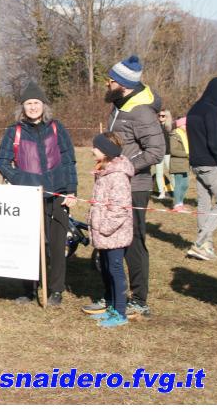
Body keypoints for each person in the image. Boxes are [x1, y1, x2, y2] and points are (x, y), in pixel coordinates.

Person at [84, 55, 164, 318]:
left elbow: (156, 151)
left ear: (123, 84)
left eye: (110, 80)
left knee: (133, 243)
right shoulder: (120, 105)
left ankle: (138, 300)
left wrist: (124, 167)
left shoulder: (141, 112)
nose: (106, 84)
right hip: (112, 184)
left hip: (134, 186)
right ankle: (112, 297)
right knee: (109, 240)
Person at [0, 81, 78, 306]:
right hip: (28, 197)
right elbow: (2, 162)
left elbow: (69, 160)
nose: (33, 107)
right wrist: (24, 180)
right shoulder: (14, 131)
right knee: (28, 244)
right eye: (28, 103)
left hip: (57, 195)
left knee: (57, 245)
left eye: (36, 103)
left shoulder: (57, 128)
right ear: (22, 107)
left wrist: (71, 191)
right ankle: (28, 289)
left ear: (44, 105)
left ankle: (56, 290)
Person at [84, 133, 134, 328]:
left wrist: (104, 227)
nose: (92, 150)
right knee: (106, 269)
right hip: (104, 234)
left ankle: (120, 313)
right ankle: (111, 307)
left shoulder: (118, 176)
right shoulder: (104, 171)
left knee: (115, 270)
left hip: (114, 234)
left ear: (106, 151)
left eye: (96, 147)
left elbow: (120, 209)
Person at [186, 77, 217, 261]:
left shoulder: (194, 109)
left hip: (196, 164)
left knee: (204, 204)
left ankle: (206, 245)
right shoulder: (212, 111)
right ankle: (200, 244)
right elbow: (216, 143)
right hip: (211, 164)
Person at [168, 117, 190, 212]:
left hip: (185, 163)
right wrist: (187, 154)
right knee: (179, 184)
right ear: (180, 125)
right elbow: (173, 151)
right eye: (185, 124)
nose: (187, 126)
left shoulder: (185, 135)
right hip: (177, 163)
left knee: (185, 184)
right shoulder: (175, 135)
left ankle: (181, 203)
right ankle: (177, 205)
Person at [155, 109, 173, 199]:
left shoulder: (171, 127)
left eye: (163, 116)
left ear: (167, 117)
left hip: (168, 153)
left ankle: (176, 191)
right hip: (159, 153)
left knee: (172, 172)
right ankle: (161, 192)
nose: (160, 118)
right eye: (159, 116)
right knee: (159, 173)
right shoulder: (156, 127)